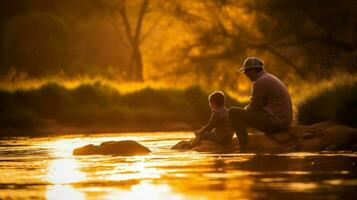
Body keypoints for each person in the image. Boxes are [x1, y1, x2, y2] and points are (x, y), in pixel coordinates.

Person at [228, 57, 293, 149]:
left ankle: (244, 144)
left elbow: (254, 107)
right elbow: (258, 107)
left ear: (254, 69)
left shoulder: (260, 82)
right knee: (243, 114)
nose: (245, 74)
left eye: (247, 71)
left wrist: (244, 112)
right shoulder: (269, 78)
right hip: (284, 122)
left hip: (276, 123)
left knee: (232, 112)